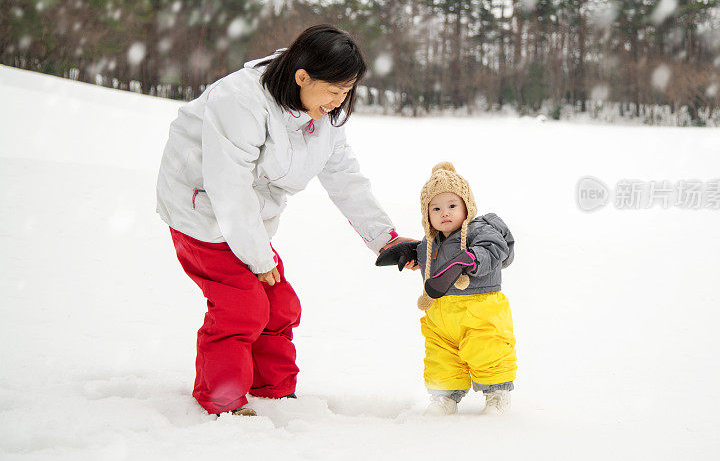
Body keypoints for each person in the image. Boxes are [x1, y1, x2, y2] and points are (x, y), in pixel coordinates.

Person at [156, 24, 410, 416]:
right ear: (302, 76)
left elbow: (343, 175)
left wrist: (385, 238)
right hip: (201, 212)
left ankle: (272, 390)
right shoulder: (240, 99)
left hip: (247, 220)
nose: (339, 102)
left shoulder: (323, 112)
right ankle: (221, 399)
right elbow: (228, 188)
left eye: (347, 91)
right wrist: (260, 258)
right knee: (241, 307)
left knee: (279, 306)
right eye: (333, 90)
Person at [378, 162, 517, 415]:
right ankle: (445, 398)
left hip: (480, 310)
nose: (445, 213)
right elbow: (433, 257)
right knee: (441, 356)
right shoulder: (430, 243)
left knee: (488, 349)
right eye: (436, 208)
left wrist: (472, 258)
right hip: (441, 314)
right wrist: (413, 254)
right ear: (426, 214)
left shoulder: (481, 231)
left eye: (452, 206)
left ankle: (497, 395)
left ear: (467, 206)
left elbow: (494, 249)